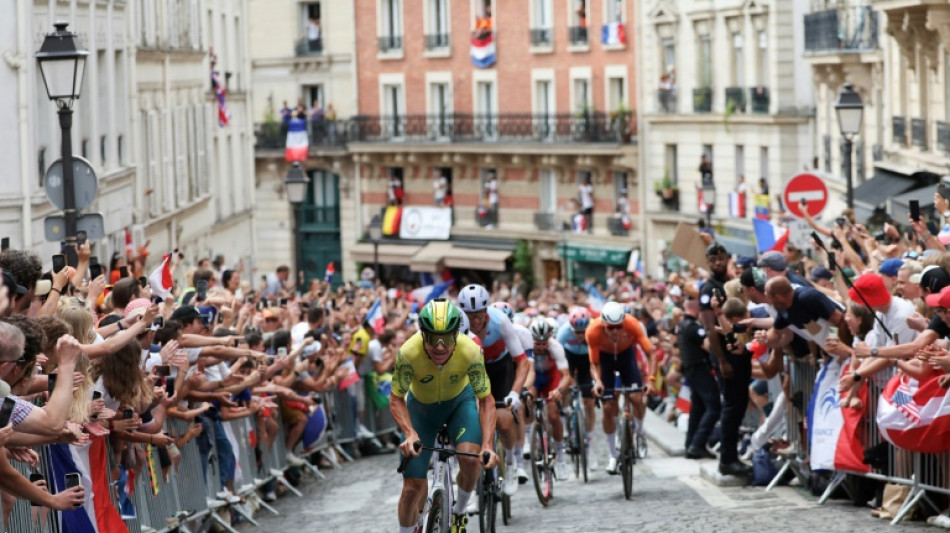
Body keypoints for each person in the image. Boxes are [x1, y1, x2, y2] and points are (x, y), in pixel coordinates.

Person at [392, 299, 498, 533]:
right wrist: (410, 434)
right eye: (432, 338)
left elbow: (486, 400)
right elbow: (396, 398)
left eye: (447, 338)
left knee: (471, 460)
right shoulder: (409, 352)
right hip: (422, 410)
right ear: (423, 335)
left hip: (460, 404)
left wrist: (488, 444)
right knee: (411, 488)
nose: (440, 347)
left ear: (456, 335)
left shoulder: (470, 350)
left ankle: (459, 511)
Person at [457, 284, 528, 496]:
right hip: (471, 367)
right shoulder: (456, 323)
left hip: (498, 367)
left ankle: (511, 462)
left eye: (479, 315)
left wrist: (515, 393)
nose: (475, 322)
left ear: (487, 311)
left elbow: (522, 362)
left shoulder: (500, 321)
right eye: (470, 316)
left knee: (505, 422)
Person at [697, 242, 751, 477]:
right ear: (708, 262)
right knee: (731, 405)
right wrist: (722, 361)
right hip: (726, 355)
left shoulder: (728, 284)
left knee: (738, 405)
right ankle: (727, 459)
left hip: (740, 351)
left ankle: (732, 455)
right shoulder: (708, 288)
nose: (717, 263)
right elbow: (710, 328)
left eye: (720, 259)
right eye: (712, 260)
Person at [586, 301, 656, 474]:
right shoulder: (593, 331)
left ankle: (639, 432)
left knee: (637, 398)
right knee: (609, 407)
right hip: (605, 360)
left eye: (618, 327)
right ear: (603, 324)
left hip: (626, 356)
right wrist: (598, 382)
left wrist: (651, 380)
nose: (615, 331)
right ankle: (612, 454)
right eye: (610, 328)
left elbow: (650, 353)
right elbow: (594, 363)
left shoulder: (632, 324)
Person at [528, 319, 571, 479]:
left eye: (544, 342)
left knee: (553, 415)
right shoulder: (525, 345)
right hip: (534, 378)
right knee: (528, 398)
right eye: (537, 343)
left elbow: (566, 376)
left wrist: (559, 390)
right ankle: (529, 435)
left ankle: (560, 456)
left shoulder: (555, 347)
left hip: (550, 379)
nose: (540, 346)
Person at [678, 296, 719, 459]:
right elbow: (707, 346)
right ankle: (697, 444)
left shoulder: (682, 324)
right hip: (699, 369)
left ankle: (692, 444)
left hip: (691, 370)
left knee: (698, 408)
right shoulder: (694, 327)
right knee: (714, 407)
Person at [557, 307, 597, 467]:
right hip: (570, 356)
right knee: (567, 385)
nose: (580, 335)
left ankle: (588, 442)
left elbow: (597, 358)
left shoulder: (594, 329)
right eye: (577, 332)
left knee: (589, 402)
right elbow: (557, 357)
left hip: (588, 359)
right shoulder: (564, 332)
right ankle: (565, 412)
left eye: (583, 332)